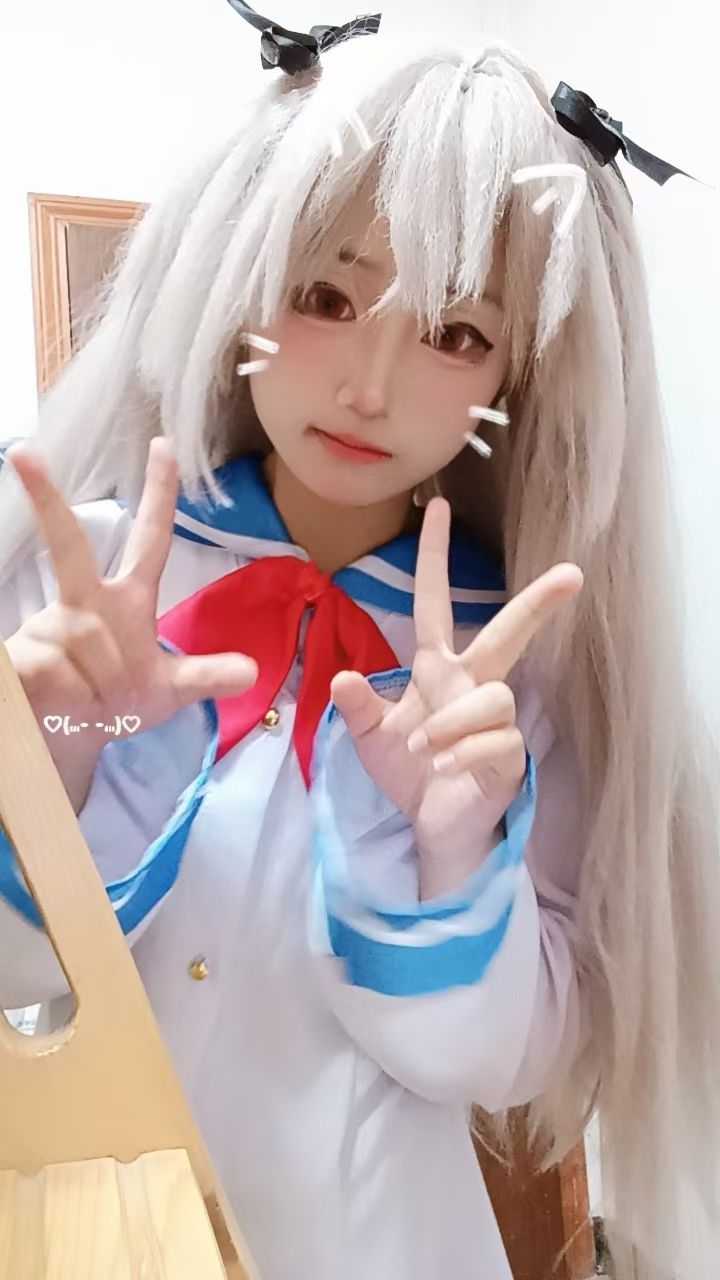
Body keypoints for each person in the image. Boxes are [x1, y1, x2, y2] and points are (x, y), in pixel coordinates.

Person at [1, 10, 719, 1279]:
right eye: (326, 297)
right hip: (89, 1235)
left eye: (457, 332)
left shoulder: (518, 667)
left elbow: (503, 1065)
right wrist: (62, 747)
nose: (371, 385)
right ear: (241, 281)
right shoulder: (86, 575)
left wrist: (456, 848)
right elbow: (21, 977)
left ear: (517, 378)